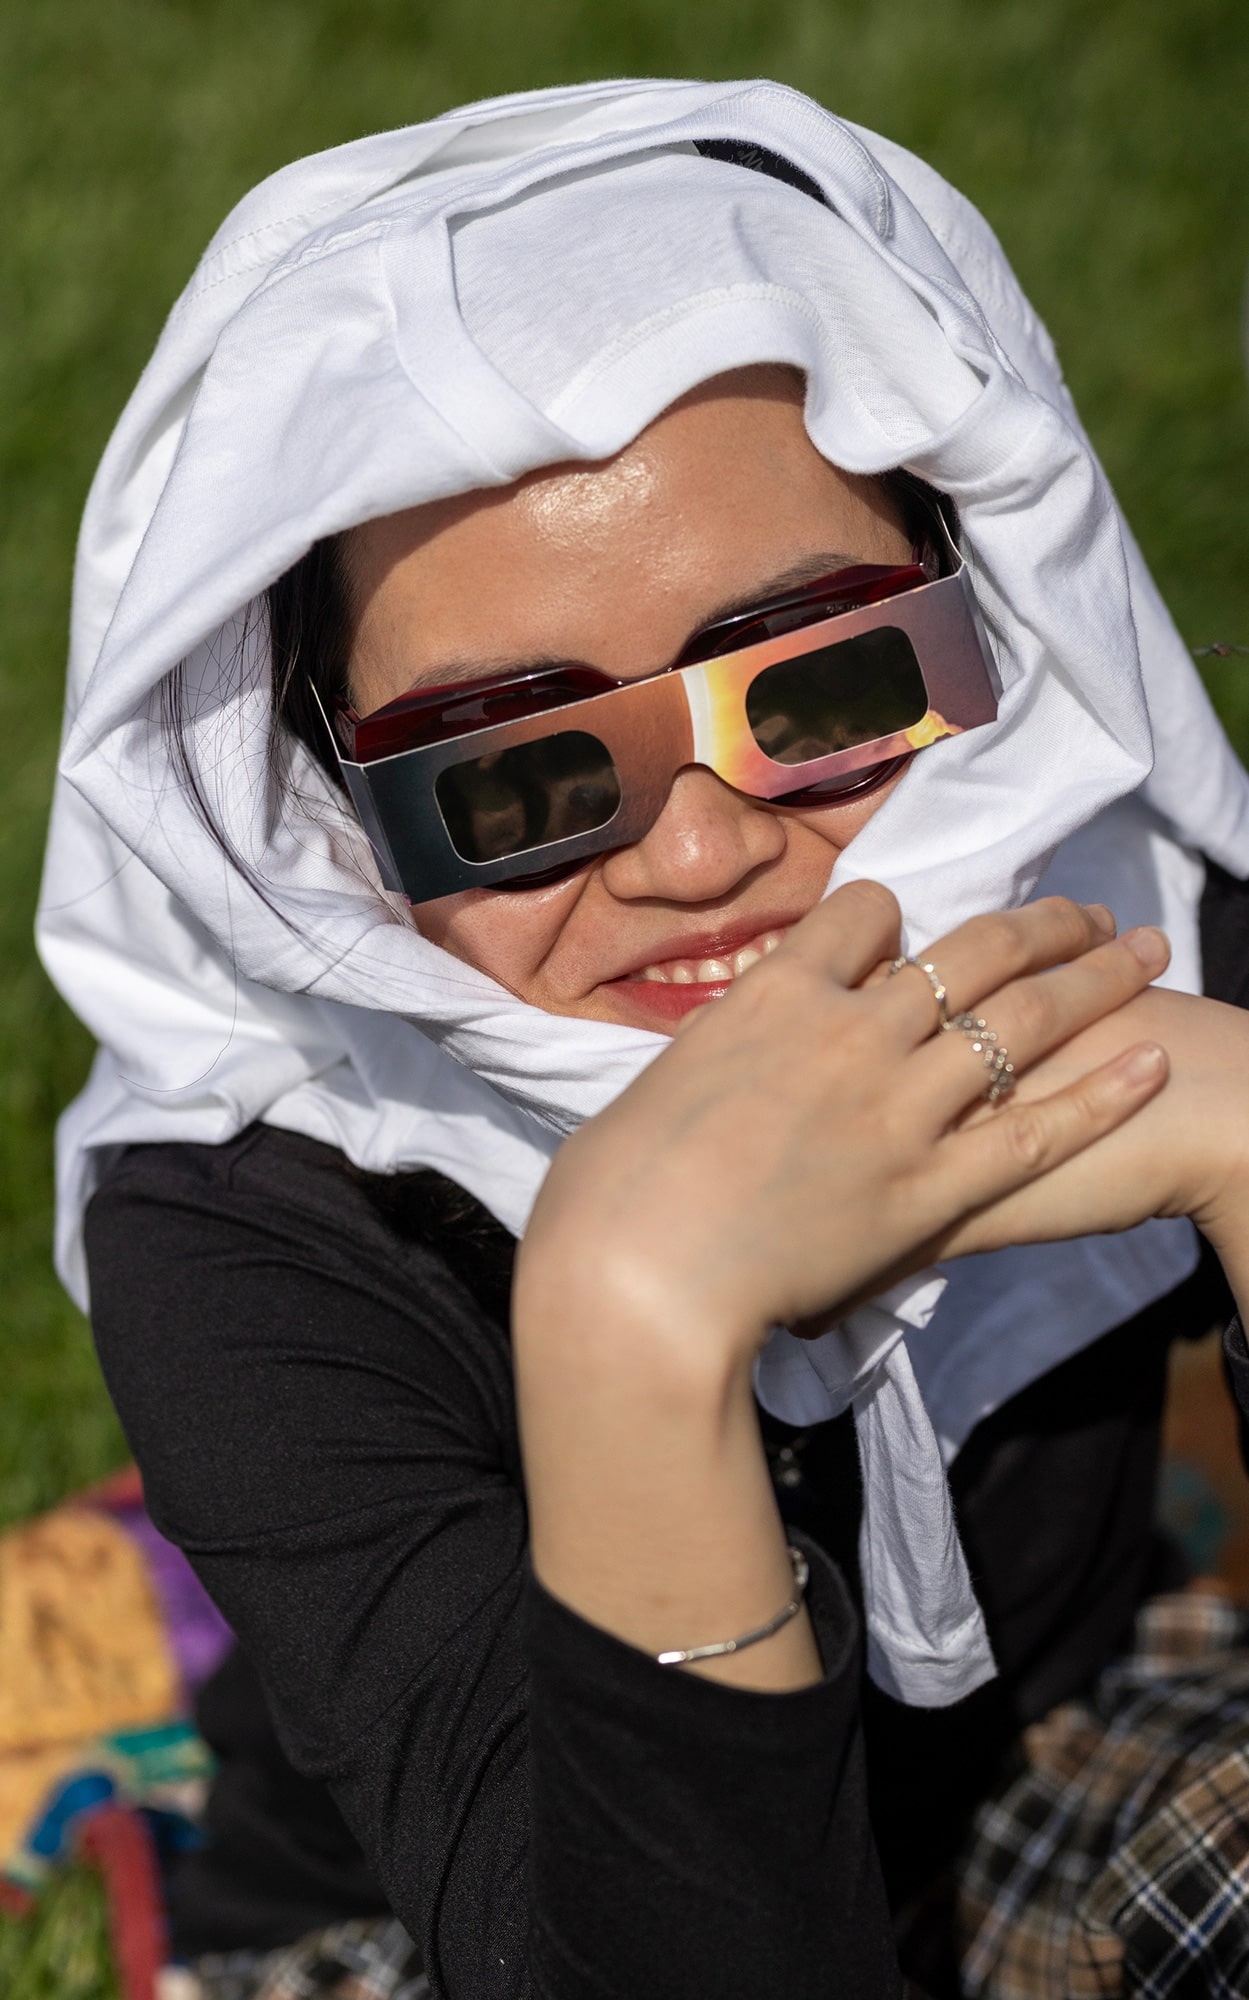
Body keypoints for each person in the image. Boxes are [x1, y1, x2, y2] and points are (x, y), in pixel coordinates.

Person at [35, 78, 1249, 1998]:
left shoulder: (1122, 923)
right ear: (324, 816)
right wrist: (629, 1320)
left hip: (1037, 1773)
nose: (702, 854)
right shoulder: (253, 1225)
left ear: (987, 621)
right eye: (517, 779)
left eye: (829, 676)